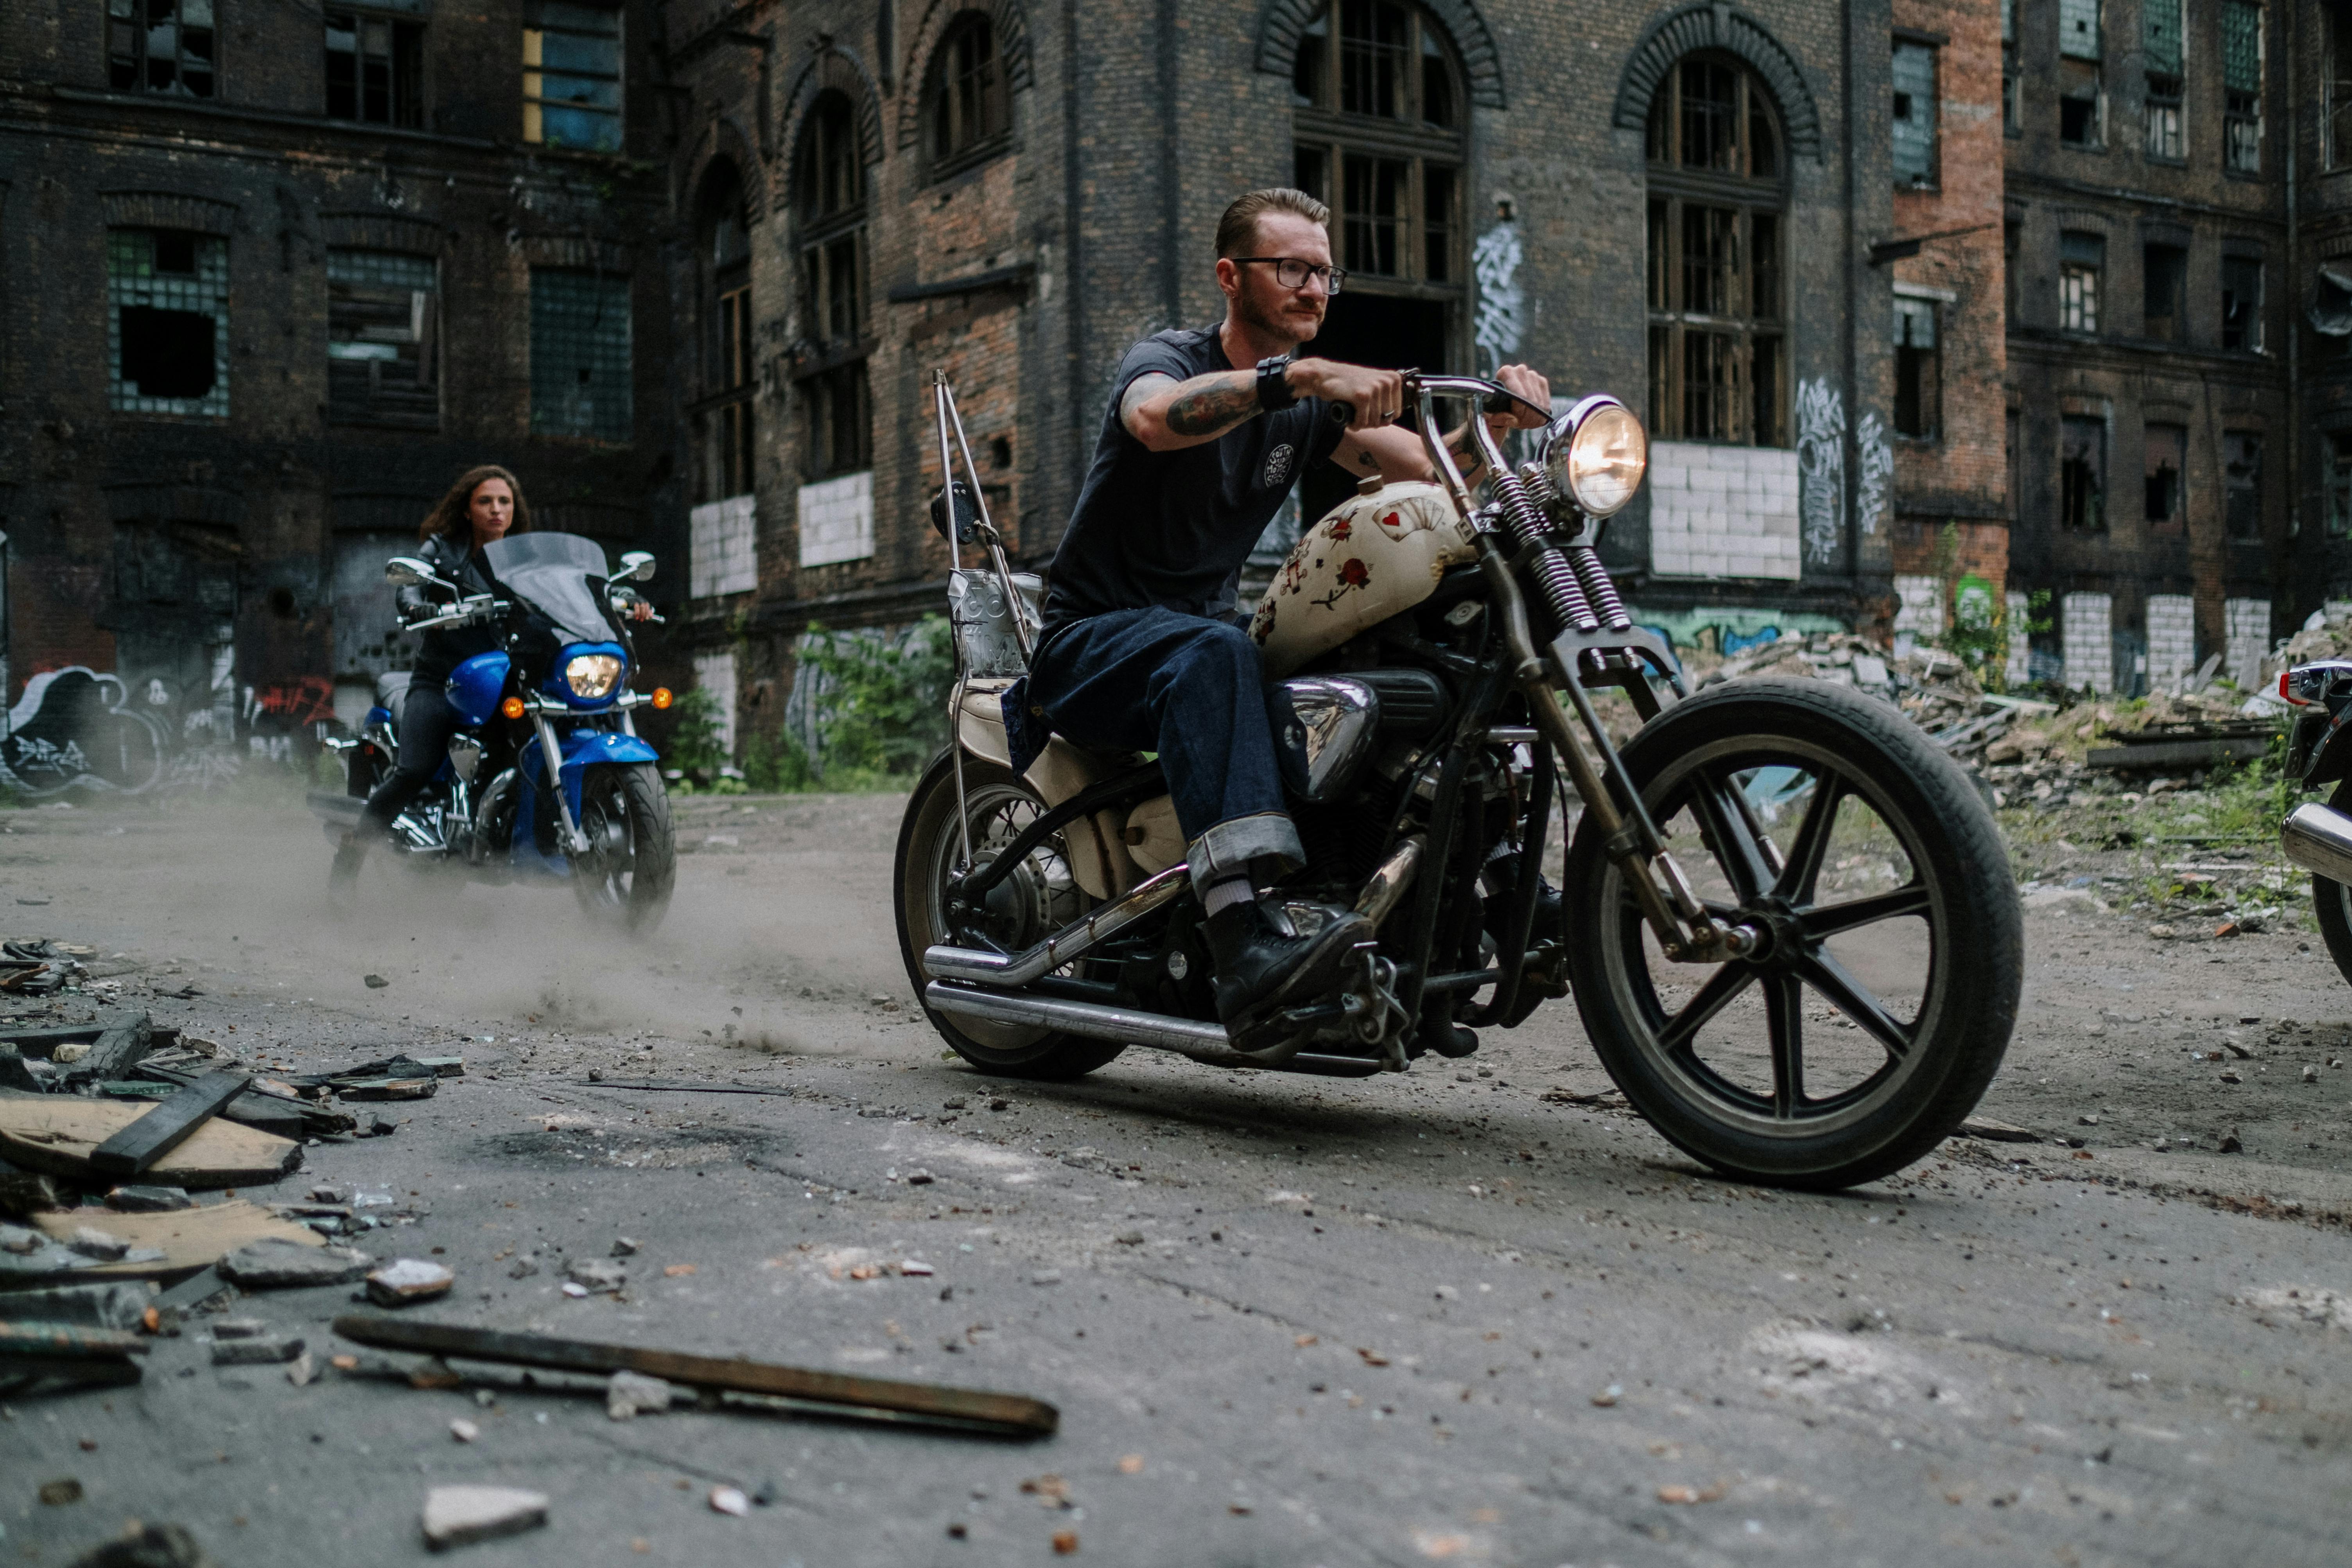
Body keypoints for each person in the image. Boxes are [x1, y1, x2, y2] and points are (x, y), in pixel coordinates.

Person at [1027, 187, 1550, 1042]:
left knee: (1359, 678)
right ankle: (1240, 937)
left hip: (1198, 641)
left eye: (1323, 273)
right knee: (1213, 651)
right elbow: (1154, 420)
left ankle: (1435, 899)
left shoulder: (1305, 409)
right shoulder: (1170, 357)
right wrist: (1295, 376)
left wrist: (1485, 425)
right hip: (1093, 642)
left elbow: (1421, 465)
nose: (1314, 288)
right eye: (1293, 269)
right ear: (1232, 277)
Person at [353, 465, 528, 844]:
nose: (496, 509)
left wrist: (618, 604)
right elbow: (412, 587)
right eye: (485, 501)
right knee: (413, 770)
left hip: (506, 678)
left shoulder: (525, 559)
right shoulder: (443, 548)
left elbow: (568, 590)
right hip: (443, 680)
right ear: (467, 509)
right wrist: (419, 607)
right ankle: (349, 861)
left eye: (504, 501)